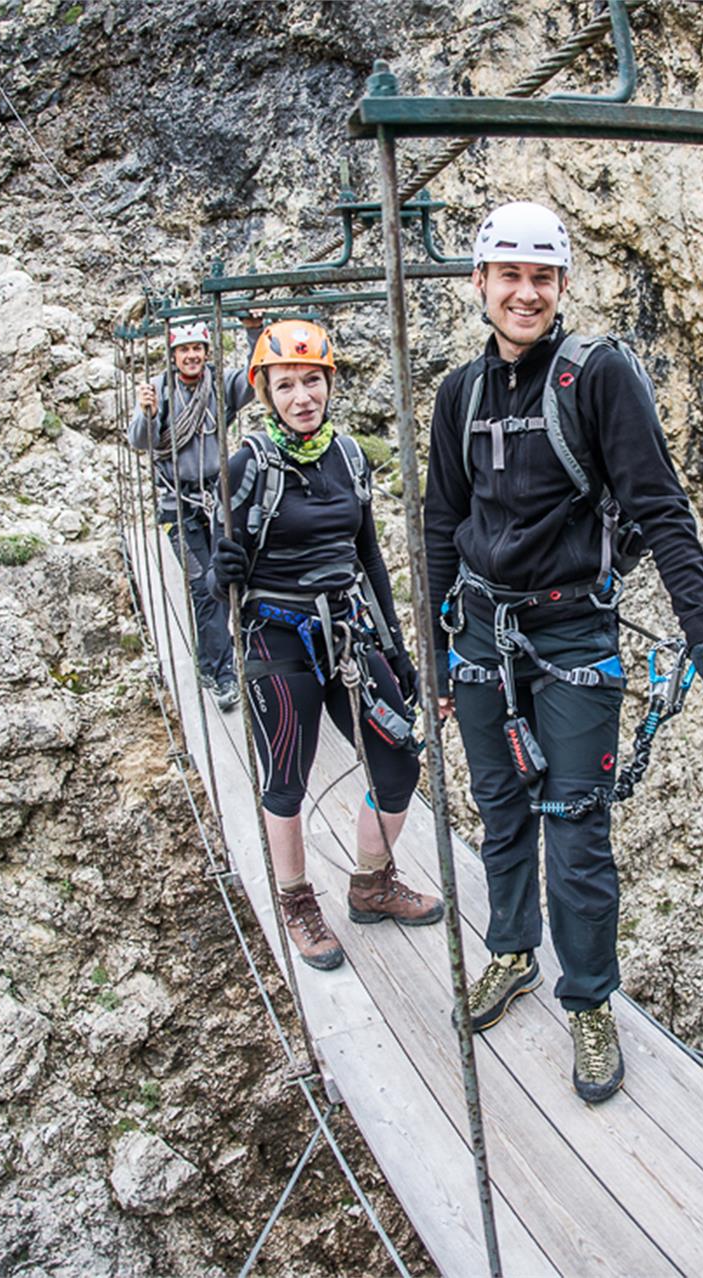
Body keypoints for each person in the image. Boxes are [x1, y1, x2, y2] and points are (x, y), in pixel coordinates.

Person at [425, 201, 703, 1104]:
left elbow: (661, 506)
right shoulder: (459, 395)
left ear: (562, 286)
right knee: (499, 807)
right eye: (509, 277)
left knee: (575, 825)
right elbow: (440, 524)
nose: (524, 294)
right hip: (484, 635)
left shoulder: (598, 377)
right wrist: (433, 650)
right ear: (482, 286)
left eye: (542, 278)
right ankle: (510, 953)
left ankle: (589, 1000)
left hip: (572, 632)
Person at [212, 319, 444, 972]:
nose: (302, 396)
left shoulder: (348, 457)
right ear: (265, 392)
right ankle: (295, 900)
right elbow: (213, 564)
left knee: (399, 764)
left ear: (328, 384)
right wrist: (218, 573)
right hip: (277, 636)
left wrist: (396, 647)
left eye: (312, 381)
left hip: (348, 629)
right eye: (286, 385)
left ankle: (370, 885)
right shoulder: (248, 464)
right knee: (287, 775)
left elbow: (367, 553)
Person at [128, 318, 259, 711]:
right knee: (204, 585)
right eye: (184, 350)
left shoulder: (218, 386)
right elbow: (139, 441)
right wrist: (146, 413)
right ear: (173, 356)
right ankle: (220, 674)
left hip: (214, 499)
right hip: (178, 505)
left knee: (225, 579)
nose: (191, 356)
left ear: (206, 352)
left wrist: (254, 333)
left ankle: (210, 662)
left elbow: (257, 378)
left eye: (197, 349)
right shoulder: (160, 391)